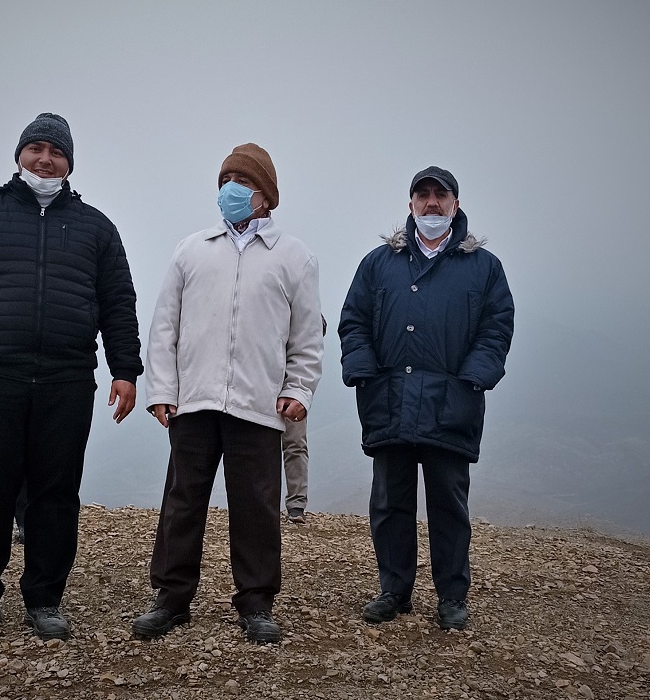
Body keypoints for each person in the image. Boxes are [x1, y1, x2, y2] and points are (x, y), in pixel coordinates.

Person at [0, 113, 143, 644]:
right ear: (19, 155)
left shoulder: (97, 228)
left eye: (56, 152)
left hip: (67, 378)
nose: (45, 160)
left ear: (69, 163)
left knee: (56, 492)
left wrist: (126, 370)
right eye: (36, 149)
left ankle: (44, 599)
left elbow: (118, 303)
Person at [134, 143, 323, 644]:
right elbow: (163, 327)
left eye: (241, 184)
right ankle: (172, 600)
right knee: (182, 499)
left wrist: (299, 388)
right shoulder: (192, 249)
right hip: (194, 400)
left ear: (266, 196)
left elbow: (307, 336)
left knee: (256, 506)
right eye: (225, 183)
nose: (230, 192)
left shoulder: (295, 257)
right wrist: (161, 390)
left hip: (259, 404)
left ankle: (256, 603)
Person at [338, 166, 513, 630]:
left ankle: (452, 596)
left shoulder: (483, 267)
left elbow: (496, 329)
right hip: (390, 401)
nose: (432, 203)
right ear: (410, 203)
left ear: (456, 204)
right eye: (423, 195)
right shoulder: (379, 263)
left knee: (448, 505)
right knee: (391, 503)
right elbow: (353, 320)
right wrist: (363, 372)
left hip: (450, 405)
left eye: (441, 195)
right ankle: (394, 590)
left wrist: (473, 378)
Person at [282, 314, 326, 524]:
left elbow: (318, 326)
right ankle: (291, 506)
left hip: (291, 385)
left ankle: (296, 506)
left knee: (295, 445)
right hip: (264, 384)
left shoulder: (299, 295)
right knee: (290, 446)